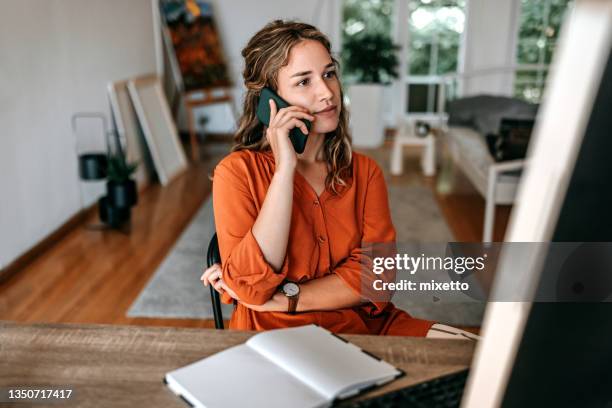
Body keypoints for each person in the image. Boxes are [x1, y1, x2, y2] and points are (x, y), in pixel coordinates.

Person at [201, 20, 452, 337]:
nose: (327, 92)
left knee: (478, 359)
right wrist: (284, 170)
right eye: (304, 82)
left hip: (366, 328)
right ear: (270, 101)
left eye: (329, 74)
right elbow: (251, 288)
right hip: (274, 335)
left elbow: (378, 278)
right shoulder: (236, 173)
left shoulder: (365, 172)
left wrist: (284, 298)